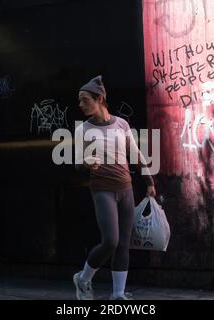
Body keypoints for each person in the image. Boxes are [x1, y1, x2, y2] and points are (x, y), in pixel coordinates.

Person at [73, 75, 156, 300]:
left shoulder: (121, 124)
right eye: (79, 100)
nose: (80, 105)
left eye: (84, 100)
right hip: (102, 189)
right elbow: (78, 163)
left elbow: (135, 153)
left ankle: (117, 294)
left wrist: (148, 181)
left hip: (126, 188)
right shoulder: (83, 130)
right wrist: (87, 163)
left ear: (99, 99)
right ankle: (83, 279)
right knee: (110, 240)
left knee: (123, 244)